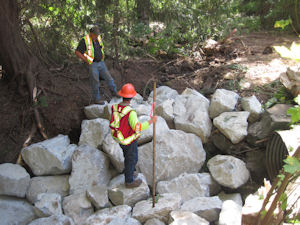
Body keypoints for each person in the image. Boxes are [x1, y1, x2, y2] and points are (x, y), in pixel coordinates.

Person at [109, 83, 157, 188]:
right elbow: (137, 127)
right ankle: (129, 181)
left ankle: (131, 171)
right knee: (132, 158)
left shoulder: (116, 107)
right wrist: (150, 122)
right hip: (128, 140)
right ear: (131, 97)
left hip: (119, 138)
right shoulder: (131, 112)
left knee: (128, 156)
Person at [75, 25, 118, 104]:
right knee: (95, 81)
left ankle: (115, 92)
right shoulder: (85, 40)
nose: (96, 36)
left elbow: (100, 48)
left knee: (109, 78)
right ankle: (97, 99)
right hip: (93, 63)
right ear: (91, 33)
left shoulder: (98, 38)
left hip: (101, 62)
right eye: (95, 34)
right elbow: (77, 52)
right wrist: (85, 59)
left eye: (97, 34)